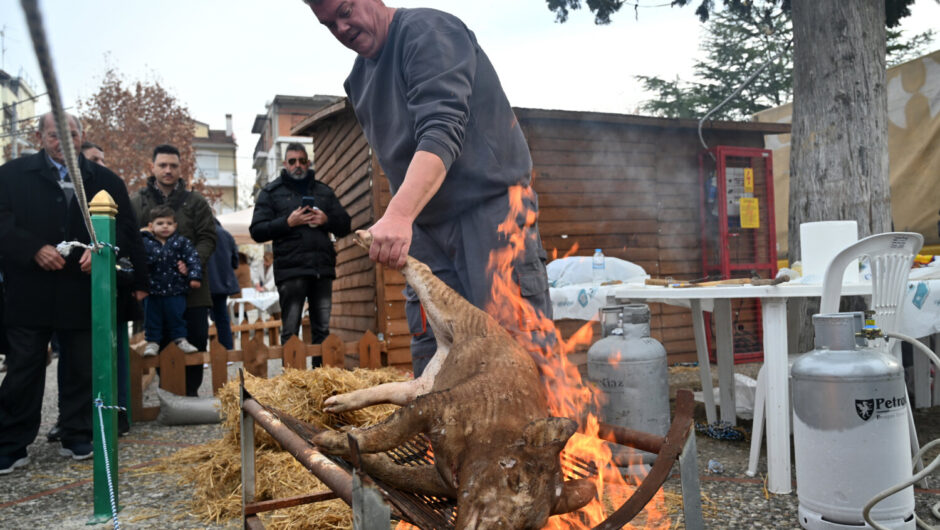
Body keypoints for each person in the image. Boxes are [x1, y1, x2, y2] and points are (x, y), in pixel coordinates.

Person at [304, 1, 553, 376]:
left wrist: (399, 214)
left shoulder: (428, 32)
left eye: (346, 10)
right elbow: (397, 163)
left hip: (489, 212)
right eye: (328, 25)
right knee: (437, 355)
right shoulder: (358, 82)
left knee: (514, 351)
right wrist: (406, 217)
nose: (341, 28)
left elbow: (441, 129)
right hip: (425, 228)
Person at [0, 112, 148, 473]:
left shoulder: (106, 180)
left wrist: (101, 252)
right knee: (24, 367)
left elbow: (127, 230)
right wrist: (32, 247)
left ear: (82, 136)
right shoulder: (11, 175)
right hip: (29, 291)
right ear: (40, 136)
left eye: (71, 134)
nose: (63, 141)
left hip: (83, 292)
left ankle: (78, 433)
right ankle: (10, 442)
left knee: (82, 366)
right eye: (54, 135)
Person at [48, 141, 147, 441]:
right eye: (94, 159)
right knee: (72, 358)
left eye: (103, 159)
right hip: (69, 289)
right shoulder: (65, 193)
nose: (100, 165)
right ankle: (71, 419)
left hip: (110, 287)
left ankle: (115, 416)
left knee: (112, 351)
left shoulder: (111, 187)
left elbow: (130, 234)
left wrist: (139, 280)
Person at [249, 142, 351, 366]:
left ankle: (320, 382)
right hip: (291, 271)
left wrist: (326, 220)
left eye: (302, 161)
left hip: (321, 270)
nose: (297, 165)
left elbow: (345, 225)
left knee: (322, 331)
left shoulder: (324, 191)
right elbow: (256, 231)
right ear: (285, 164)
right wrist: (287, 222)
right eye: (292, 161)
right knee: (291, 331)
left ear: (308, 163)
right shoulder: (271, 192)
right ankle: (293, 385)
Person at [131, 144, 216, 396]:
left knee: (196, 340)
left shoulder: (196, 201)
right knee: (161, 342)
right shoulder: (137, 202)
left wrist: (191, 264)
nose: (168, 170)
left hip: (192, 289)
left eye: (173, 166)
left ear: (181, 168)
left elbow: (208, 238)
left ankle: (191, 394)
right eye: (163, 165)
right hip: (156, 291)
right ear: (152, 167)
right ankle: (168, 394)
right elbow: (130, 240)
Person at [140, 206, 203, 357]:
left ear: (175, 226)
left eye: (169, 223)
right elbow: (138, 262)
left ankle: (181, 339)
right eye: (160, 223)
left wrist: (194, 276)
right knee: (151, 318)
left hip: (176, 289)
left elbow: (193, 259)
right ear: (151, 226)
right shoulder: (145, 243)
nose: (165, 226)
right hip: (152, 291)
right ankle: (152, 343)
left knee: (177, 316)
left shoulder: (181, 243)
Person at [207, 218, 240, 350]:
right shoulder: (226, 235)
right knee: (222, 317)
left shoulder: (199, 233)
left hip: (202, 283)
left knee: (199, 318)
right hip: (222, 283)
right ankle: (227, 349)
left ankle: (202, 352)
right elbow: (235, 261)